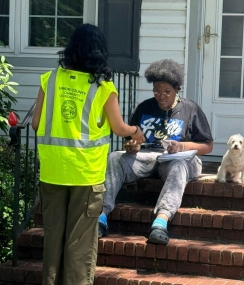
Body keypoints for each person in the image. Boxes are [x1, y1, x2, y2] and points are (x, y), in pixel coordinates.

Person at [32, 23, 145, 285]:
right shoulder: (103, 87)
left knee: (53, 239)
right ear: (99, 53)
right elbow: (119, 128)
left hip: (52, 171)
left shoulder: (49, 79)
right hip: (86, 174)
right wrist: (136, 130)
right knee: (79, 244)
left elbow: (37, 124)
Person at [99, 58, 214, 244]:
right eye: (157, 91)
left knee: (177, 165)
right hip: (147, 157)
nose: (161, 96)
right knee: (114, 157)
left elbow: (208, 146)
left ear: (177, 89)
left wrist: (182, 146)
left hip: (180, 159)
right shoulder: (144, 107)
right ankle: (102, 215)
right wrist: (130, 146)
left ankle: (161, 221)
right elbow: (129, 140)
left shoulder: (191, 109)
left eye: (167, 92)